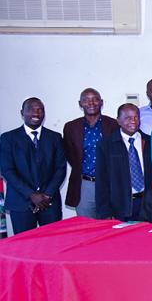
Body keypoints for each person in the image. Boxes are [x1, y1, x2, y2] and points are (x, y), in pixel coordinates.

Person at [0, 98, 66, 234]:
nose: (36, 113)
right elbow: (7, 170)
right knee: (24, 247)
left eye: (40, 109)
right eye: (31, 109)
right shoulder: (8, 138)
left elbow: (60, 169)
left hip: (49, 203)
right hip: (20, 203)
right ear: (22, 113)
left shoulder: (55, 137)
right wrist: (31, 194)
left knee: (53, 245)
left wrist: (47, 195)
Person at [62, 88, 118, 217]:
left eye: (95, 99)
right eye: (86, 100)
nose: (91, 103)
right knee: (85, 227)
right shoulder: (71, 127)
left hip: (108, 183)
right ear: (80, 104)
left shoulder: (113, 125)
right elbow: (70, 154)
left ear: (101, 102)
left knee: (108, 227)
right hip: (84, 185)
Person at [95, 103, 152, 221]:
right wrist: (105, 212)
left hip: (147, 204)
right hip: (120, 207)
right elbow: (102, 181)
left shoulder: (149, 141)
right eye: (127, 118)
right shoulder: (106, 144)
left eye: (136, 117)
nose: (133, 121)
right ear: (118, 121)